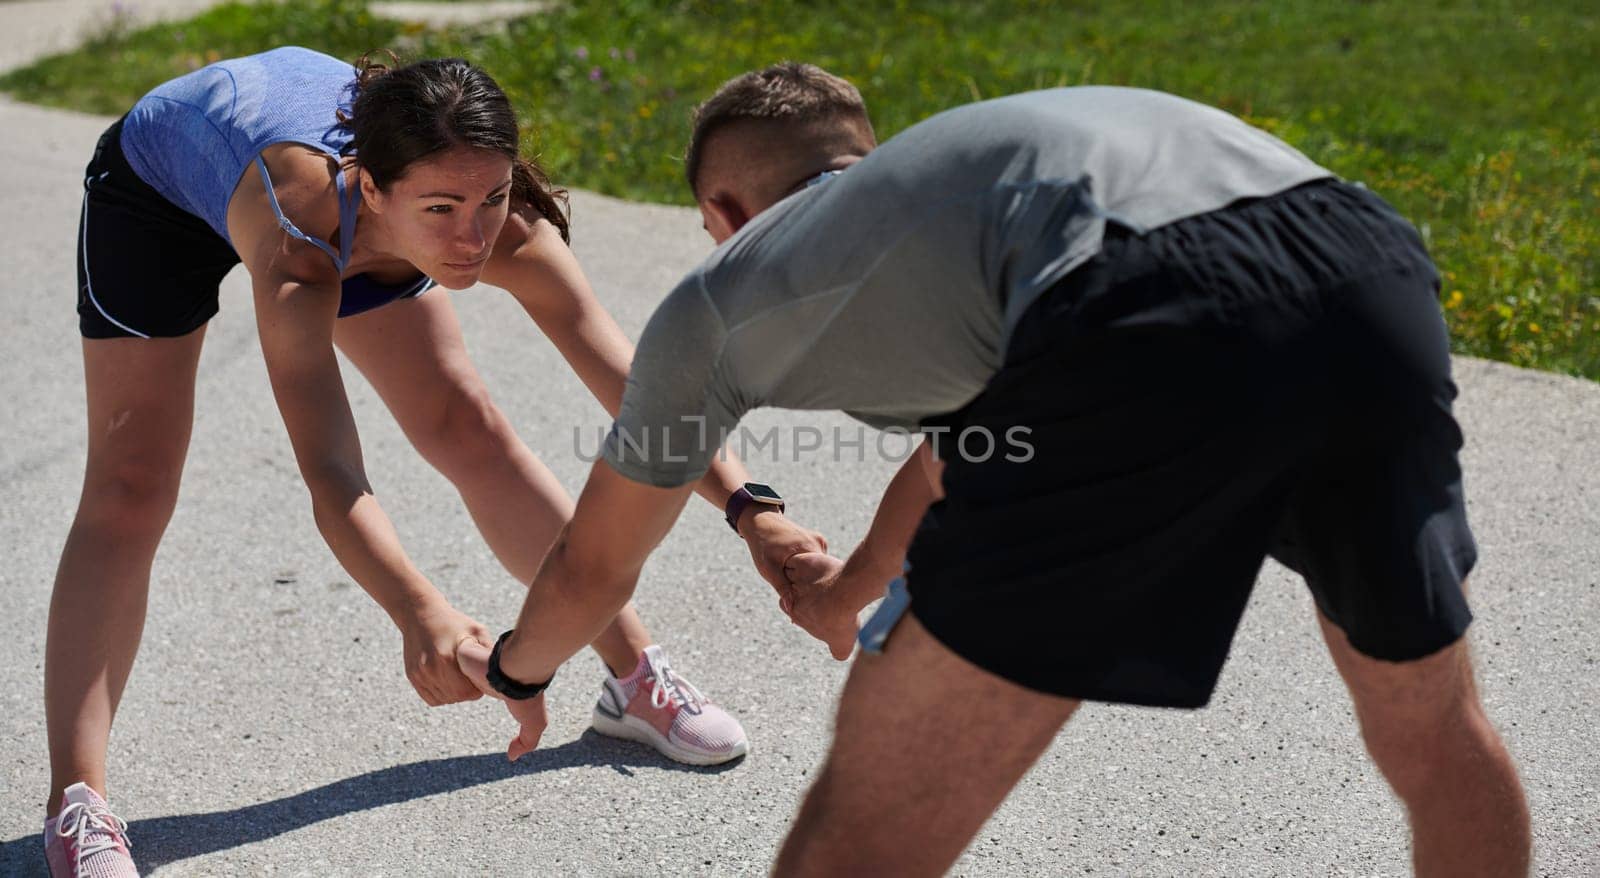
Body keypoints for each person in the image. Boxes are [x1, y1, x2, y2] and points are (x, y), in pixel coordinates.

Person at [466, 64, 1531, 876]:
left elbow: (595, 566)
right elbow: (972, 436)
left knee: (866, 824)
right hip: (1365, 265)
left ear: (729, 214)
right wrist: (853, 587)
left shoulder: (726, 293)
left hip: (1138, 304)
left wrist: (515, 671)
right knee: (1429, 719)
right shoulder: (959, 188)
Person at [46, 47, 827, 878]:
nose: (471, 238)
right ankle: (76, 801)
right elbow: (332, 474)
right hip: (160, 201)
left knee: (466, 422)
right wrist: (418, 609)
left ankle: (632, 678)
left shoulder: (495, 223)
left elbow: (647, 393)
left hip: (363, 224)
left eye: (489, 199)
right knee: (131, 489)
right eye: (445, 208)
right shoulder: (305, 249)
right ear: (374, 187)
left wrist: (754, 513)